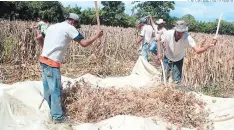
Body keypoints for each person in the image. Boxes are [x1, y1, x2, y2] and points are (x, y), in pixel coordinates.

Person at [39, 13, 103, 123]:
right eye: (76, 25)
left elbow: (39, 38)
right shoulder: (69, 28)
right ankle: (58, 118)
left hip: (43, 60)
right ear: (73, 22)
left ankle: (51, 111)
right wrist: (97, 36)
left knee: (48, 89)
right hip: (51, 64)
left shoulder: (53, 26)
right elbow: (84, 43)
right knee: (55, 91)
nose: (75, 27)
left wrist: (48, 51)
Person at [157, 20, 217, 84]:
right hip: (168, 55)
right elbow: (159, 40)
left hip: (179, 58)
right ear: (175, 30)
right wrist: (159, 53)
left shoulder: (187, 37)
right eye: (179, 32)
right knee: (164, 77)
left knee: (176, 81)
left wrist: (208, 45)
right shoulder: (168, 33)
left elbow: (198, 51)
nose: (180, 34)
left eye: (182, 32)